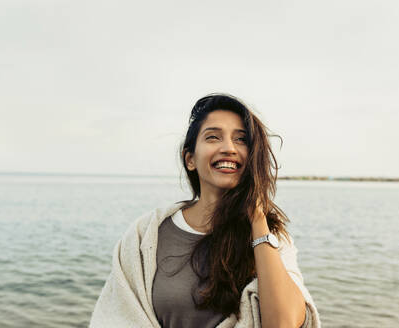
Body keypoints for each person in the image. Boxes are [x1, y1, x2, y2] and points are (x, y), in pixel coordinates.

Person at [90, 94, 320, 328]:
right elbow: (114, 316)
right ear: (190, 159)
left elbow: (283, 324)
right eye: (213, 137)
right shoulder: (146, 234)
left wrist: (258, 219)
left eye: (241, 140)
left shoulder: (272, 239)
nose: (229, 148)